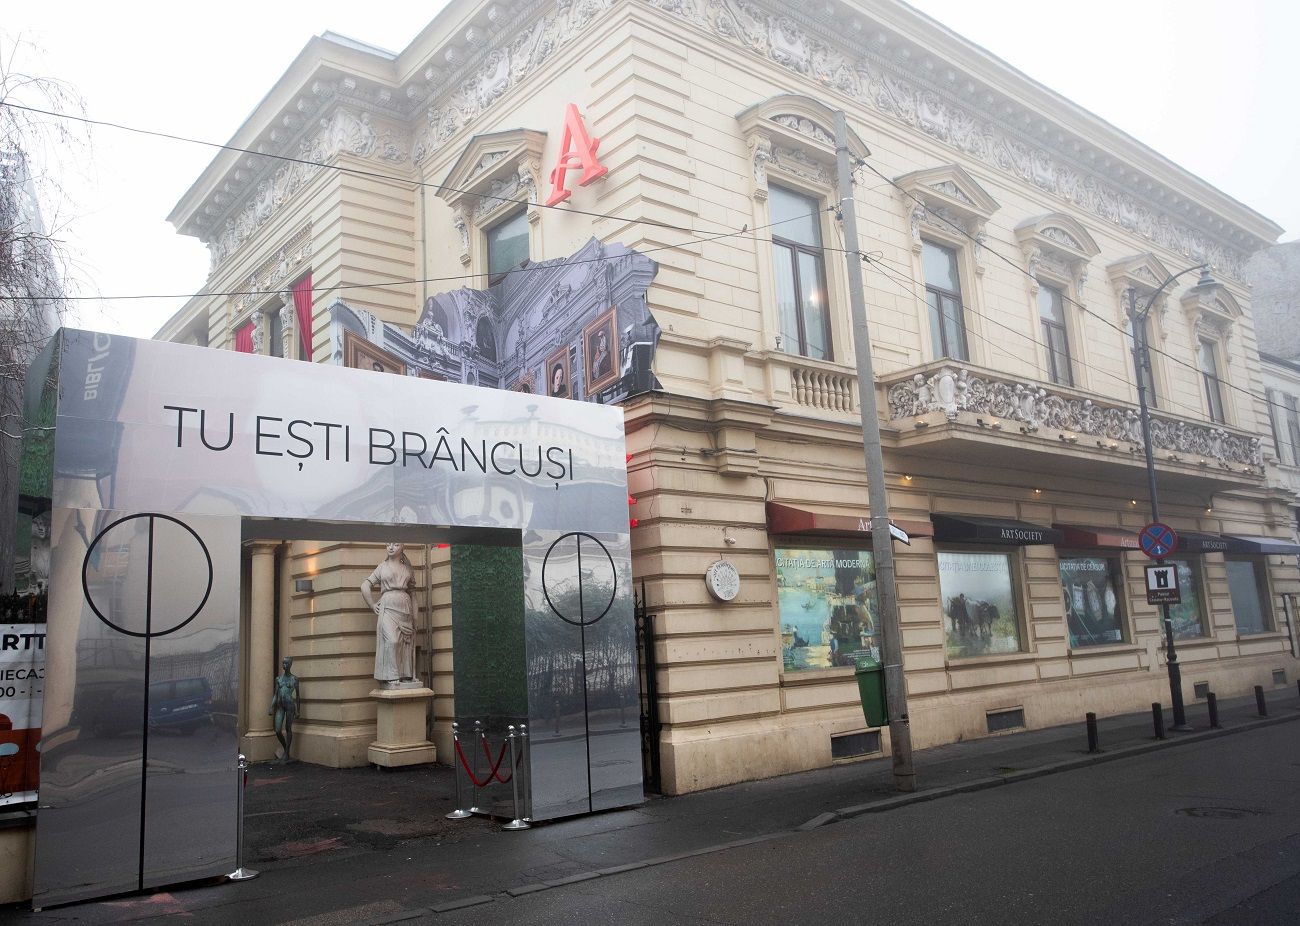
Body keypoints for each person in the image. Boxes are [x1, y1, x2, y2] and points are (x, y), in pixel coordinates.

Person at [360, 542, 416, 686]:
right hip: (388, 608)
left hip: (405, 608)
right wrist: (372, 604)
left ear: (402, 547)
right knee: (392, 640)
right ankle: (391, 675)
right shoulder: (382, 567)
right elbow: (365, 585)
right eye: (388, 544)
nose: (391, 547)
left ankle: (405, 674)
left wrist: (415, 616)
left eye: (395, 544)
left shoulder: (407, 568)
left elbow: (413, 593)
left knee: (405, 643)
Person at [267, 656, 301, 762]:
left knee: (288, 728)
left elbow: (298, 696)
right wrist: (271, 706)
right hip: (280, 706)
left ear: (290, 665)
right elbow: (276, 695)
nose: (284, 665)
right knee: (278, 730)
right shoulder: (278, 679)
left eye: (286, 663)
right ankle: (286, 749)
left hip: (290, 705)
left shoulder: (294, 679)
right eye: (283, 663)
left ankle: (286, 753)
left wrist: (298, 710)